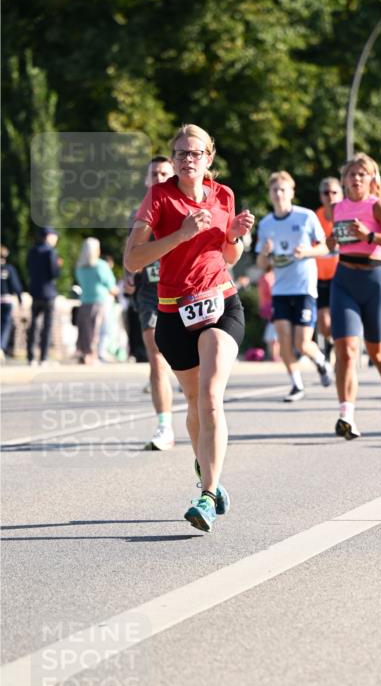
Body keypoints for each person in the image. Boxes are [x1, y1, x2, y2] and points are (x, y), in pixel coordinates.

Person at [124, 123, 254, 532]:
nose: (187, 159)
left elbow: (229, 256)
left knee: (212, 397)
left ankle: (208, 495)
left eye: (195, 153)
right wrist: (180, 235)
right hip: (173, 312)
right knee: (196, 404)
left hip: (220, 305)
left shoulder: (224, 195)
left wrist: (234, 237)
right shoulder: (158, 198)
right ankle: (205, 467)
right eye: (180, 153)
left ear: (208, 158)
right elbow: (132, 260)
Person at [329, 152, 381, 439]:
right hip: (344, 280)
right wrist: (330, 240)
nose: (357, 178)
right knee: (346, 351)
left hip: (374, 281)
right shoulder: (336, 208)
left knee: (375, 351)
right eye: (352, 174)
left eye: (363, 174)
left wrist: (370, 237)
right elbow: (331, 241)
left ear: (372, 178)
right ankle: (346, 416)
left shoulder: (378, 207)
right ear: (345, 179)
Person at [255, 171, 332, 402]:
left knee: (302, 342)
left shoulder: (306, 217)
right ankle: (296, 384)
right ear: (269, 194)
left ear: (291, 192)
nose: (278, 194)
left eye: (283, 190)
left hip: (304, 288)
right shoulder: (266, 224)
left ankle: (320, 361)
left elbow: (326, 247)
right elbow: (262, 265)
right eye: (274, 190)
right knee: (283, 338)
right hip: (281, 290)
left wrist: (307, 252)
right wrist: (266, 254)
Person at [125, 155, 177, 450]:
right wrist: (127, 274)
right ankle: (164, 426)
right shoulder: (139, 212)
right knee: (156, 357)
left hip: (184, 289)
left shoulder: (184, 208)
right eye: (153, 174)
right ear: (147, 180)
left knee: (190, 362)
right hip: (150, 291)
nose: (158, 178)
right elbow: (131, 246)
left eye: (163, 173)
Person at [75, 238, 119, 365]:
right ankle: (94, 356)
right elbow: (111, 286)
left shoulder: (80, 266)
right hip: (100, 301)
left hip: (84, 301)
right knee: (98, 330)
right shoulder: (101, 266)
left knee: (85, 330)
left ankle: (85, 353)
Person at [314, 176, 343, 360]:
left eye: (334, 192)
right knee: (324, 323)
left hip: (341, 275)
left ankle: (343, 346)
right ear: (321, 196)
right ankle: (332, 342)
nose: (330, 196)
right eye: (326, 192)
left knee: (340, 317)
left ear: (341, 194)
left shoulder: (346, 215)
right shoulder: (315, 217)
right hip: (320, 277)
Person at [26, 226, 61, 366]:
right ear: (48, 237)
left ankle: (30, 357)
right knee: (47, 326)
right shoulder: (50, 251)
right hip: (48, 293)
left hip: (35, 291)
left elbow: (28, 268)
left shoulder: (32, 251)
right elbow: (54, 273)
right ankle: (43, 357)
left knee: (33, 325)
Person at [0, 246, 24, 359]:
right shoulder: (9, 269)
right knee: (5, 326)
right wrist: (20, 301)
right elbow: (16, 286)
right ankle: (1, 347)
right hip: (6, 301)